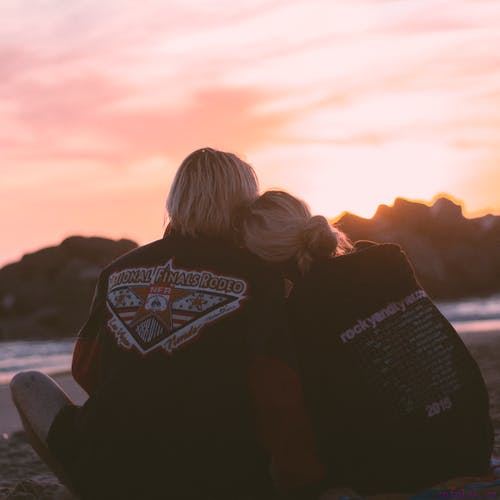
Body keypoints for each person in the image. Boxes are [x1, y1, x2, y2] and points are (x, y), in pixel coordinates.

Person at [10, 150, 325, 500]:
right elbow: (277, 388)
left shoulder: (117, 271)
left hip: (110, 475)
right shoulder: (262, 278)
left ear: (175, 199)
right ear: (244, 206)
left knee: (27, 383)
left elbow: (85, 369)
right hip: (223, 481)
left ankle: (82, 490)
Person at [237, 190, 494, 496]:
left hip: (405, 469)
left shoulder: (302, 309)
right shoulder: (386, 260)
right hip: (473, 440)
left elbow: (322, 414)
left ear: (265, 260)